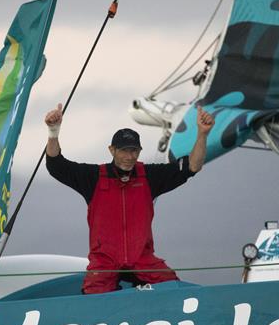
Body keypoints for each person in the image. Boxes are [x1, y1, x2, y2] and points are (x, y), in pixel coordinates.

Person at [44, 103, 215, 294]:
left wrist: (202, 134)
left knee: (172, 288)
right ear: (112, 150)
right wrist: (53, 131)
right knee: (93, 295)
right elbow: (56, 166)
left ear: (140, 151)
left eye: (134, 150)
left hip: (143, 260)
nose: (129, 156)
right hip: (105, 263)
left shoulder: (149, 176)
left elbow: (192, 166)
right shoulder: (93, 177)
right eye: (124, 150)